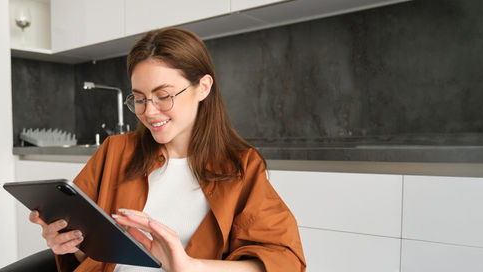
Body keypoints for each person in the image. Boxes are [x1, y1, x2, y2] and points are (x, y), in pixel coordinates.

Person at [29, 27, 306, 272]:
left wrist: (190, 266)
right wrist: (67, 243)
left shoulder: (241, 167)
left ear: (203, 88)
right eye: (139, 99)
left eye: (163, 96)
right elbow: (87, 254)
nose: (149, 112)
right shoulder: (115, 151)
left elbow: (284, 261)